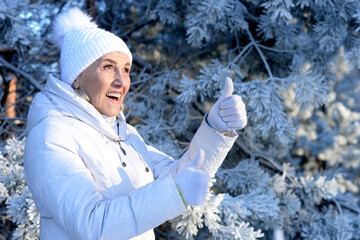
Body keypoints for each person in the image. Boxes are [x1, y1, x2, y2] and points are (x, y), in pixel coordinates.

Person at [24, 7, 247, 240]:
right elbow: (93, 225)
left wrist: (216, 129)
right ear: (76, 78)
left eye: (126, 69)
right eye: (108, 67)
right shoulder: (51, 135)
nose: (121, 81)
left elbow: (181, 175)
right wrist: (175, 192)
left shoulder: (125, 136)